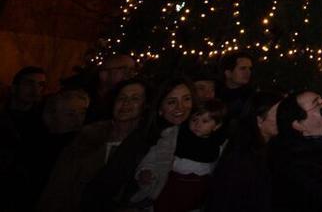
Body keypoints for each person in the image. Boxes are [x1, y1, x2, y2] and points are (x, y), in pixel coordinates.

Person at [81, 78, 196, 211]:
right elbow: (108, 185)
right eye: (171, 102)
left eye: (186, 99)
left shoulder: (195, 132)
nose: (180, 107)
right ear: (159, 108)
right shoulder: (145, 138)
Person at [38, 78, 149, 212]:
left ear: (145, 105)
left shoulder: (146, 144)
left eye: (135, 98)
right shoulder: (88, 135)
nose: (126, 103)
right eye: (121, 97)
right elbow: (59, 184)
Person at [133, 98, 227, 211]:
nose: (197, 124)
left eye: (205, 121)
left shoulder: (218, 146)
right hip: (170, 186)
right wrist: (148, 171)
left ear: (216, 126)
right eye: (194, 120)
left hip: (195, 192)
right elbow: (157, 156)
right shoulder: (176, 136)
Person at [208, 91, 283, 212]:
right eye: (278, 113)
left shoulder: (271, 148)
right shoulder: (243, 157)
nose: (284, 118)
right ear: (259, 119)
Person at [217, 52, 254, 121]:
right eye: (243, 68)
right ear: (228, 73)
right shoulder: (214, 94)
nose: (248, 72)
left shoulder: (252, 97)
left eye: (250, 69)